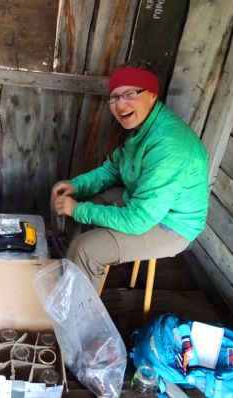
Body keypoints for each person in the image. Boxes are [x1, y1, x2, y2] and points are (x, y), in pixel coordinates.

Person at [51, 62, 209, 290]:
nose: (120, 104)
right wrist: (77, 185)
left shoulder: (170, 146)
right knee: (62, 193)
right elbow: (113, 169)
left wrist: (78, 209)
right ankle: (69, 267)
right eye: (114, 97)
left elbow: (138, 220)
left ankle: (77, 318)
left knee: (86, 249)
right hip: (140, 198)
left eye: (130, 94)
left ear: (152, 95)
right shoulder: (138, 127)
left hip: (171, 225)